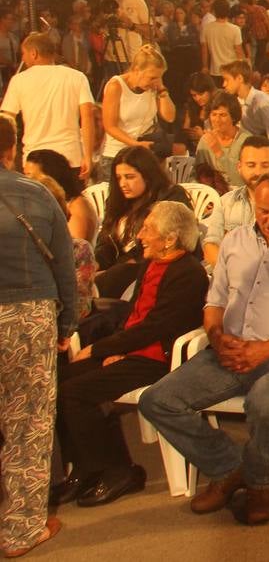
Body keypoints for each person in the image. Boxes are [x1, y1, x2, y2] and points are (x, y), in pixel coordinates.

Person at [138, 171, 269, 525]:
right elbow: (215, 299)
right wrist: (217, 337)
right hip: (228, 347)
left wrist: (267, 350)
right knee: (157, 401)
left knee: (264, 405)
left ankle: (261, 484)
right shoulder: (235, 241)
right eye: (263, 211)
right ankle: (230, 466)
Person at [51, 202, 208, 509]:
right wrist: (117, 348)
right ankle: (85, 467)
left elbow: (156, 328)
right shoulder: (152, 265)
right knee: (58, 382)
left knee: (75, 392)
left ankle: (118, 470)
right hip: (135, 351)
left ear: (170, 239)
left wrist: (103, 348)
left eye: (148, 229)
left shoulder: (188, 274)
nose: (141, 236)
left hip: (158, 360)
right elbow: (133, 316)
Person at [0, 116, 76, 557]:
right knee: (27, 424)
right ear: (12, 149)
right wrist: (66, 327)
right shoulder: (36, 194)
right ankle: (21, 529)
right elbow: (65, 268)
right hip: (29, 315)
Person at [93, 146, 192, 299]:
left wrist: (113, 270)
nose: (123, 184)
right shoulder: (118, 201)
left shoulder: (170, 195)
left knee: (112, 277)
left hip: (154, 265)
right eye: (119, 178)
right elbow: (106, 242)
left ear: (147, 175)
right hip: (120, 268)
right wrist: (96, 264)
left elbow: (164, 241)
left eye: (129, 177)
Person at [1, 32, 96, 179]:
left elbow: (7, 120)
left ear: (34, 53)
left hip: (34, 159)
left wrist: (9, 157)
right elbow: (87, 116)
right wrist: (88, 156)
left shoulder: (19, 80)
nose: (23, 59)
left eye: (23, 54)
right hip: (70, 156)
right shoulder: (77, 77)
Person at [201, 136, 269, 267]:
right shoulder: (225, 202)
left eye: (265, 165)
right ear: (239, 167)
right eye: (251, 165)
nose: (258, 172)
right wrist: (232, 274)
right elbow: (210, 246)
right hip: (229, 278)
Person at [99, 46, 176, 177]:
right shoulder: (116, 86)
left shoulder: (153, 88)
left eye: (159, 77)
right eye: (152, 77)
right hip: (117, 156)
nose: (155, 81)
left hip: (142, 156)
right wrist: (136, 144)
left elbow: (169, 117)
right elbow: (110, 126)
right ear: (136, 70)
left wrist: (162, 89)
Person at [23, 149, 96, 243]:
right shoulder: (38, 203)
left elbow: (75, 248)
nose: (25, 181)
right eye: (24, 175)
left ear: (50, 177)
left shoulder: (77, 206)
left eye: (30, 176)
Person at [195, 90, 248, 190]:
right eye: (214, 114)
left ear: (233, 117)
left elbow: (240, 180)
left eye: (223, 115)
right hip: (212, 195)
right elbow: (196, 173)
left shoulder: (246, 141)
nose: (217, 120)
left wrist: (219, 152)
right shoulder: (206, 139)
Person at [221, 60, 269, 141]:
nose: (224, 84)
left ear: (239, 78)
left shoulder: (263, 102)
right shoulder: (236, 102)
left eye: (227, 79)